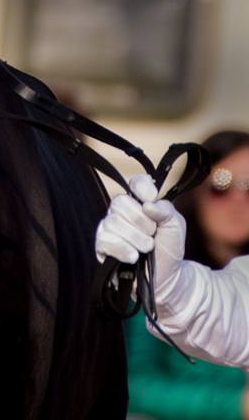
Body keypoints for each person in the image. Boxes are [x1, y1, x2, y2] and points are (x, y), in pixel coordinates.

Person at [95, 130, 249, 376]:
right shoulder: (156, 263)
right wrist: (169, 286)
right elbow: (137, 382)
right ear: (195, 188)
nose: (238, 200)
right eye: (221, 184)